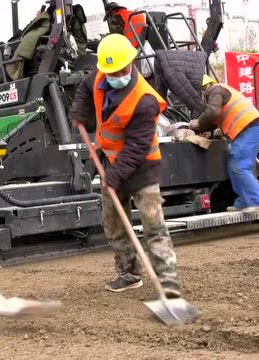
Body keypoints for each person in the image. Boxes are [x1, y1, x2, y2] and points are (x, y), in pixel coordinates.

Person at [69, 34, 181, 297]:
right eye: (111, 71)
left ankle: (168, 282)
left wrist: (113, 176)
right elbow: (86, 89)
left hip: (142, 167)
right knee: (113, 221)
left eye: (121, 69)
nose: (115, 74)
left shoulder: (144, 100)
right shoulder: (101, 73)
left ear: (131, 63)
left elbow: (136, 149)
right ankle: (128, 274)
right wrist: (79, 111)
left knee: (153, 225)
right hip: (111, 161)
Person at [190, 75, 259, 212]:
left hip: (248, 129)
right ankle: (244, 201)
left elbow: (212, 113)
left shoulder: (215, 90)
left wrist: (197, 123)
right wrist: (199, 127)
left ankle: (258, 201)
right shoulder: (220, 95)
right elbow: (212, 121)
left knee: (239, 166)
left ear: (203, 89)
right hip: (247, 130)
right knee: (235, 166)